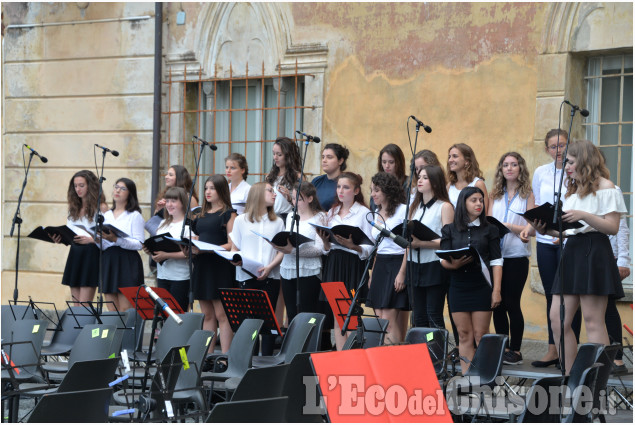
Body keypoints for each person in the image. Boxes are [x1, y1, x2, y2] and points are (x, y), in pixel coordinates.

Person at [530, 139, 627, 374]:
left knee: (594, 321)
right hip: (571, 250)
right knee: (557, 319)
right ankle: (569, 376)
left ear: (584, 160)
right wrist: (546, 230)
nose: (567, 167)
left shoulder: (607, 187)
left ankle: (597, 381)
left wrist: (583, 214)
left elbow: (612, 227)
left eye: (571, 162)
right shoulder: (571, 190)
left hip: (595, 251)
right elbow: (569, 231)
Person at [530, 129, 581, 368]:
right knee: (552, 295)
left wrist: (564, 233)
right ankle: (553, 349)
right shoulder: (541, 172)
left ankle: (571, 351)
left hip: (568, 241)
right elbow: (539, 203)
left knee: (569, 295)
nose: (558, 150)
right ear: (547, 149)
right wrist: (536, 226)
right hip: (545, 241)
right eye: (553, 146)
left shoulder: (575, 171)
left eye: (562, 145)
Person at [440, 186, 502, 374]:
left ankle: (485, 376)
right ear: (463, 203)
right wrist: (454, 265)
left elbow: (497, 261)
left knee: (481, 335)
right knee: (464, 335)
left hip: (482, 286)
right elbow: (443, 260)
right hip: (458, 286)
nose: (478, 204)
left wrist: (496, 290)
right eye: (473, 200)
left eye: (481, 200)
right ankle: (468, 377)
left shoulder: (490, 229)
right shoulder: (449, 229)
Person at [318, 172, 375, 350]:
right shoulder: (332, 211)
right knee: (337, 314)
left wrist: (354, 246)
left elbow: (371, 246)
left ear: (356, 190)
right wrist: (326, 241)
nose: (341, 191)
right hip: (334, 262)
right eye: (339, 187)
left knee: (350, 313)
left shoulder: (364, 213)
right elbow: (325, 249)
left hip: (351, 263)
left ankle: (353, 355)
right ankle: (341, 356)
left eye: (346, 187)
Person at [488, 152, 535, 365]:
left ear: (520, 168)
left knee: (511, 302)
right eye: (505, 164)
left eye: (514, 164)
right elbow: (488, 223)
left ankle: (515, 349)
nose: (509, 168)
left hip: (517, 255)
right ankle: (502, 346)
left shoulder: (528, 195)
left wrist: (510, 227)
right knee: (496, 303)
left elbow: (532, 228)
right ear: (501, 169)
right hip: (496, 256)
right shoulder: (494, 194)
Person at [230, 182, 285, 355]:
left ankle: (267, 361)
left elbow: (282, 251)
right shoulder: (241, 221)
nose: (274, 194)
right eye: (270, 191)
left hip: (271, 276)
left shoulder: (278, 222)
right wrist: (236, 260)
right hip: (246, 276)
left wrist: (269, 267)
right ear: (258, 194)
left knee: (268, 321)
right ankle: (249, 361)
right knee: (249, 322)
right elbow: (234, 249)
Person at [398, 165, 453, 328]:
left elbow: (447, 241)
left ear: (435, 182)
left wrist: (421, 243)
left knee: (433, 314)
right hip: (414, 266)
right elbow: (410, 240)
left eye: (425, 177)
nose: (420, 180)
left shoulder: (444, 206)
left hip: (434, 266)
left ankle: (436, 352)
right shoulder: (414, 207)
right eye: (419, 177)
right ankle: (420, 352)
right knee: (418, 316)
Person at [190, 175, 237, 353]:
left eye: (212, 188)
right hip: (202, 265)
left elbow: (232, 244)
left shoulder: (228, 213)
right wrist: (191, 248)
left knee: (222, 314)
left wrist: (209, 249)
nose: (208, 192)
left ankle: (225, 356)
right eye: (206, 188)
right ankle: (207, 356)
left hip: (220, 266)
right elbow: (196, 238)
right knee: (207, 315)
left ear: (221, 191)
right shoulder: (199, 215)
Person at [366, 172, 410, 344]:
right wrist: (372, 273)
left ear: (388, 190)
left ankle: (395, 359)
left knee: (389, 320)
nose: (373, 194)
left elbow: (409, 244)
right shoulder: (376, 212)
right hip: (381, 264)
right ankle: (383, 358)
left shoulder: (402, 210)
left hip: (397, 262)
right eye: (371, 190)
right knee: (379, 320)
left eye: (377, 190)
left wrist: (402, 273)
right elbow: (379, 246)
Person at [273, 182, 325, 323]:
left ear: (310, 198)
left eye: (299, 199)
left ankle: (308, 344)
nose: (295, 203)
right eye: (294, 199)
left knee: (307, 313)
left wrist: (294, 250)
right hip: (288, 269)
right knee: (291, 313)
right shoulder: (290, 216)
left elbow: (320, 249)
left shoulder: (319, 217)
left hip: (308, 271)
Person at [54, 170, 108, 305]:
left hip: (90, 253)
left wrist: (91, 239)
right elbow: (71, 232)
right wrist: (61, 238)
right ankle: (76, 327)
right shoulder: (74, 208)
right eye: (75, 186)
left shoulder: (101, 207)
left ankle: (86, 326)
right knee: (76, 305)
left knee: (84, 305)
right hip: (75, 252)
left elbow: (109, 236)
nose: (78, 189)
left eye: (81, 185)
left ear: (91, 186)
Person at [265, 137, 301, 327]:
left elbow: (301, 204)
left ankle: (287, 325)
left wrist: (289, 197)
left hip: (286, 219)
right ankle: (275, 324)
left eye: (279, 154)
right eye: (274, 154)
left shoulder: (296, 177)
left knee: (283, 276)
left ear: (289, 155)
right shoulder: (271, 176)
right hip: (271, 219)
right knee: (273, 277)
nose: (276, 158)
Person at [96, 178, 145, 312]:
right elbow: (105, 244)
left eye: (123, 189)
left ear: (130, 194)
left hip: (127, 261)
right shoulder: (107, 215)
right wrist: (97, 240)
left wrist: (116, 240)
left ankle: (128, 333)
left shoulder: (134, 215)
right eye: (116, 187)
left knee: (125, 310)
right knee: (112, 310)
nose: (117, 190)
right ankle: (115, 333)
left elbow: (139, 244)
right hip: (109, 260)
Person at [143, 187, 190, 312]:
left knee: (178, 312)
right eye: (167, 201)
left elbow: (189, 253)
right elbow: (158, 247)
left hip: (180, 276)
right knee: (164, 312)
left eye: (174, 201)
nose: (169, 204)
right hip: (163, 275)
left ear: (183, 203)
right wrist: (149, 250)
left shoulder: (187, 225)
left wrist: (166, 254)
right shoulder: (163, 223)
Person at [607, 192, 630, 374]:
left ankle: (617, 359)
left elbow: (621, 227)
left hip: (609, 257)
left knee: (608, 307)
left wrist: (623, 259)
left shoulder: (609, 190)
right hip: (587, 259)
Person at [447, 143, 489, 211]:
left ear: (467, 161)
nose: (450, 160)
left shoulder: (477, 184)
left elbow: (484, 214)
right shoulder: (449, 186)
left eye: (455, 156)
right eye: (449, 157)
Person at [312, 143, 349, 211]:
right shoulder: (316, 181)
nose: (324, 160)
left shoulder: (347, 182)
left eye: (329, 157)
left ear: (340, 161)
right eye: (323, 157)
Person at [370, 143, 408, 211]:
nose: (387, 166)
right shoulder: (377, 182)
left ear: (399, 162)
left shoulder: (407, 183)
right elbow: (373, 207)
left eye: (391, 162)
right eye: (384, 162)